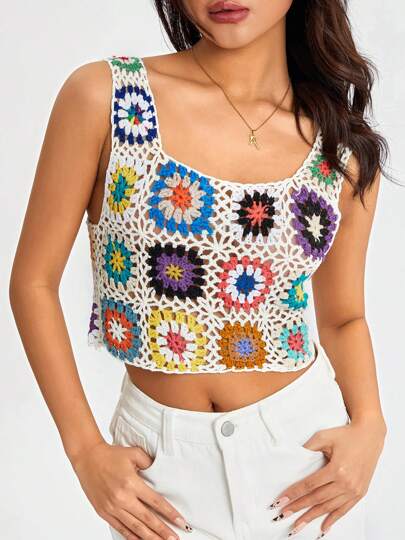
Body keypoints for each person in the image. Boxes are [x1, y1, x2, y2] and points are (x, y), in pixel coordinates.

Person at [9, 1, 392, 539]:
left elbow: (343, 318)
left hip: (305, 468)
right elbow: (32, 283)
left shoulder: (340, 150)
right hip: (157, 480)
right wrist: (85, 450)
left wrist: (371, 425)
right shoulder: (107, 99)